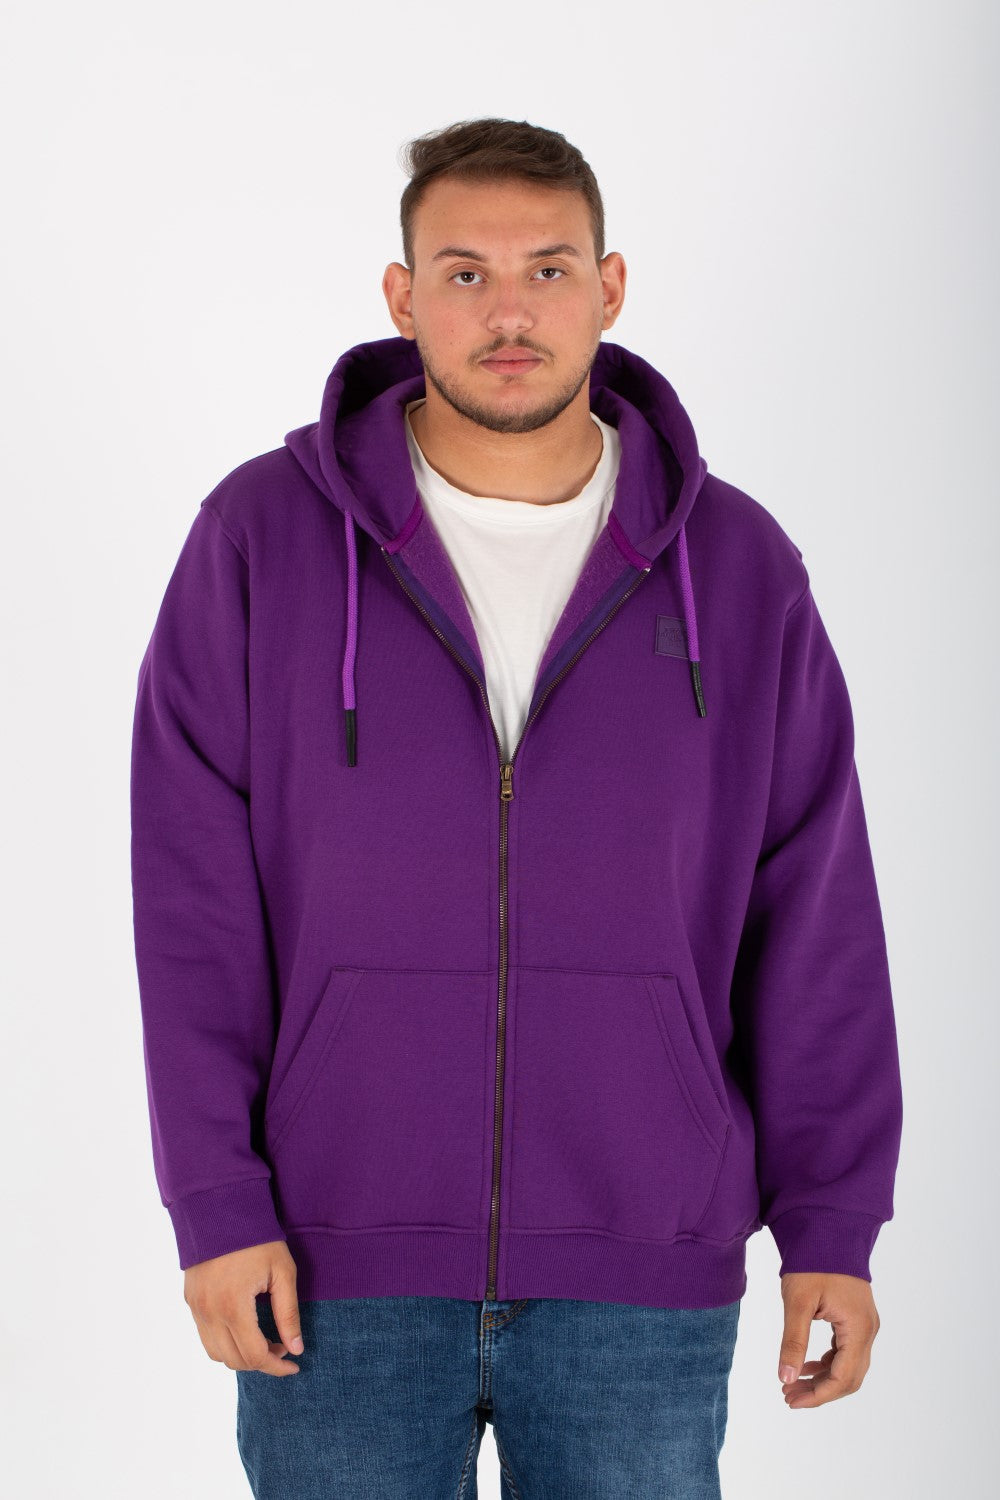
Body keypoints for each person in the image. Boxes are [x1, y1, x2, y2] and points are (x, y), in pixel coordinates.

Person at [129, 116, 904, 1498]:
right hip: (331, 1264)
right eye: (465, 273)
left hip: (642, 1269)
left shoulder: (737, 565)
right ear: (401, 295)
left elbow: (816, 910)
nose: (509, 312)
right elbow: (191, 903)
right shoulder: (262, 540)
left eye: (547, 269)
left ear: (610, 288)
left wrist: (832, 1222)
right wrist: (216, 1203)